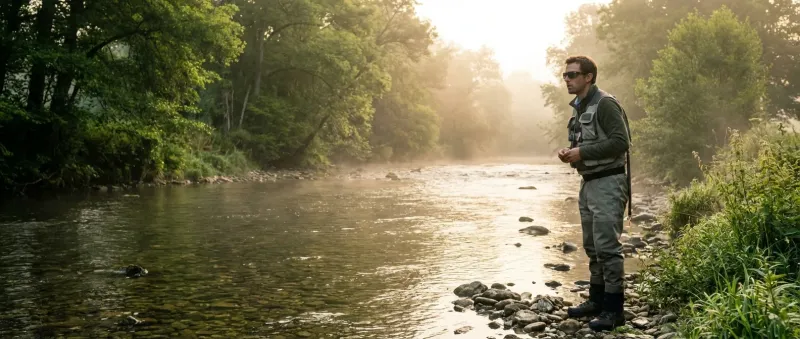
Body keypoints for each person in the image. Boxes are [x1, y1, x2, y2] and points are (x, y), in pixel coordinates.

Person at [557, 55, 631, 331]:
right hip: (588, 183)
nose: (567, 79)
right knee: (592, 246)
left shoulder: (605, 104)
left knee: (608, 248)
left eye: (572, 74)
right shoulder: (580, 107)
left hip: (608, 183)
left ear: (588, 77)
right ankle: (597, 301)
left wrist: (582, 152)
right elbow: (586, 143)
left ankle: (614, 310)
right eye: (565, 75)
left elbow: (621, 142)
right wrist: (570, 153)